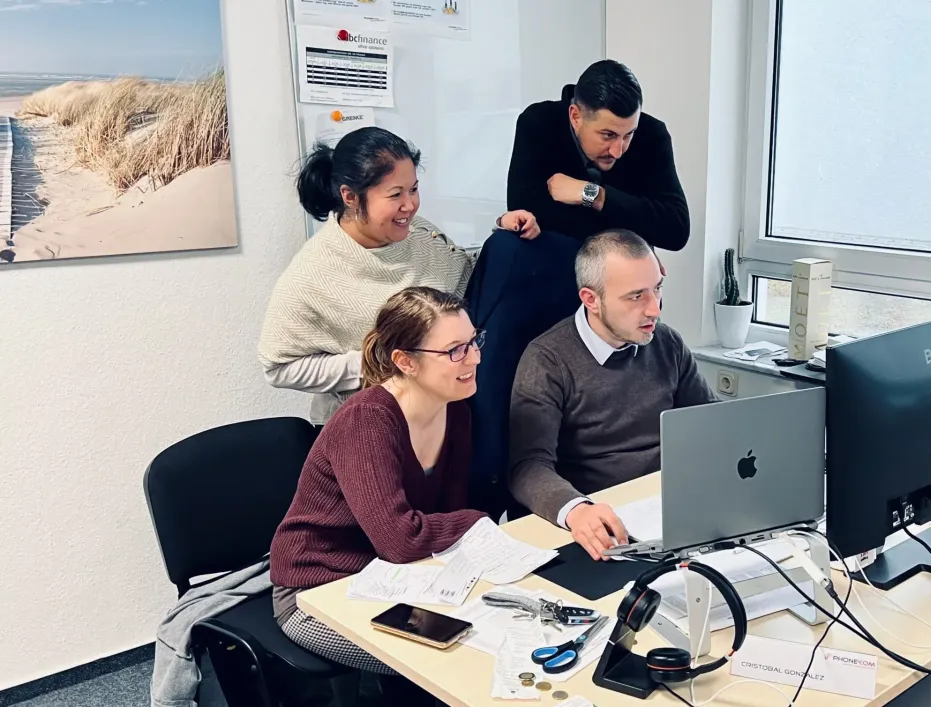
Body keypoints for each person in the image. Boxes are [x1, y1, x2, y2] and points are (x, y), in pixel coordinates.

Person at [270, 286, 488, 701]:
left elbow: (445, 516)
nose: (474, 358)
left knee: (499, 633)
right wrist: (478, 521)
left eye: (474, 341)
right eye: (455, 350)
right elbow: (401, 540)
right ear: (405, 361)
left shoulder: (455, 408)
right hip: (317, 589)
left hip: (397, 576)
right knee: (454, 663)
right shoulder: (366, 421)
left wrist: (464, 530)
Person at [258, 126, 538, 425]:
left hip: (442, 412)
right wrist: (377, 363)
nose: (410, 205)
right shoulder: (311, 275)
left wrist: (503, 231)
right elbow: (278, 367)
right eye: (395, 194)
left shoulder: (418, 231)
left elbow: (463, 277)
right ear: (350, 196)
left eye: (413, 189)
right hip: (371, 425)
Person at [507, 229, 717, 560]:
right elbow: (527, 466)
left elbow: (711, 423)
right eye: (636, 296)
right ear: (591, 299)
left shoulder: (666, 343)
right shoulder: (547, 360)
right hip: (601, 521)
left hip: (667, 506)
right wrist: (577, 510)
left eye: (657, 289)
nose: (654, 309)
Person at [505, 59, 689, 252]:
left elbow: (676, 230)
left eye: (628, 135)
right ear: (575, 117)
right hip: (553, 255)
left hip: (621, 267)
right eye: (608, 135)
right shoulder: (539, 123)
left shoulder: (652, 134)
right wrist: (633, 230)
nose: (618, 151)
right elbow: (523, 211)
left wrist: (593, 195)